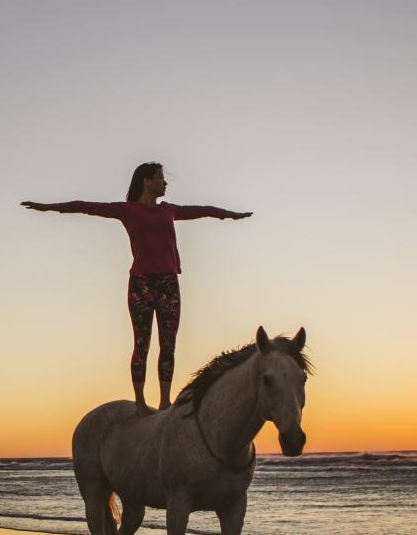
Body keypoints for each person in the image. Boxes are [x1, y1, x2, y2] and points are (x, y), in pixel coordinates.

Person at [22, 162, 252, 415]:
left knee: (168, 344)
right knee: (142, 343)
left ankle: (165, 401)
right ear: (146, 181)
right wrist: (47, 207)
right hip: (141, 283)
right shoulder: (127, 210)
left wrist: (230, 214)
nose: (165, 183)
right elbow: (85, 207)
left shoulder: (169, 210)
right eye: (160, 178)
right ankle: (140, 402)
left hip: (168, 283)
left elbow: (202, 210)